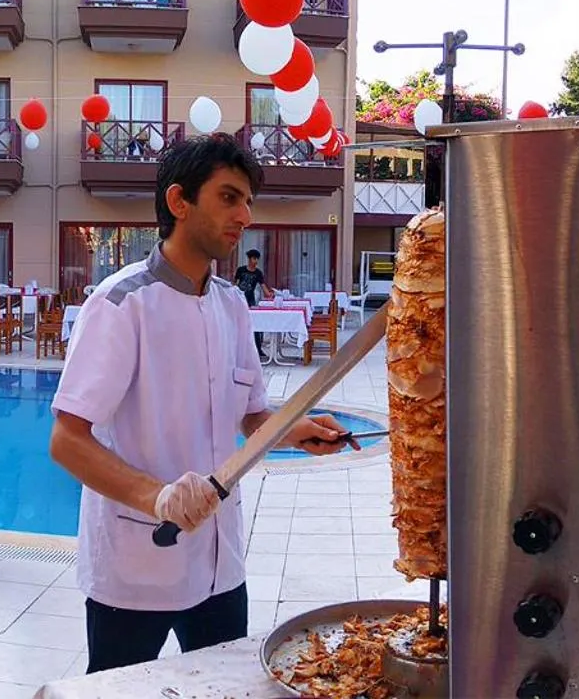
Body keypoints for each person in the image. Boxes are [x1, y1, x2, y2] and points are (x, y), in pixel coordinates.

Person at [49, 135, 356, 674]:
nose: (245, 216)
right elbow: (67, 440)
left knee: (226, 685)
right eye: (229, 197)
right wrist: (158, 497)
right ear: (179, 201)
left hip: (220, 562)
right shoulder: (120, 304)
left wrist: (295, 428)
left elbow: (251, 415)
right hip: (137, 561)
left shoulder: (231, 304)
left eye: (248, 202)